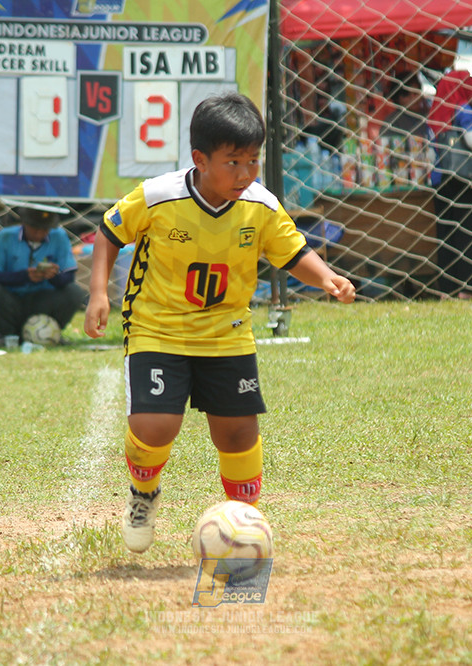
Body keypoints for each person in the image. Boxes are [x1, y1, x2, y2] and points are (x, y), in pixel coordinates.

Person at [83, 91, 356, 554]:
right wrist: (96, 294)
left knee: (237, 431)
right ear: (200, 159)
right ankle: (143, 493)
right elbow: (109, 233)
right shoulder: (158, 196)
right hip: (157, 330)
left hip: (227, 336)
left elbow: (293, 252)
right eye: (233, 162)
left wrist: (328, 277)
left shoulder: (261, 206)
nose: (246, 173)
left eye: (253, 161)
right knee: (156, 425)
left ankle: (244, 523)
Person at [427, 71, 472, 300]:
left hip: (441, 182)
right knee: (470, 235)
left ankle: (448, 288)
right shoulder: (463, 109)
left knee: (447, 236)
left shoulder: (436, 112)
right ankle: (471, 287)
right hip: (466, 181)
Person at [0, 207, 85, 346]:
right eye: (35, 228)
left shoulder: (59, 236)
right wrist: (24, 276)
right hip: (12, 299)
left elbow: (69, 277)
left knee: (74, 292)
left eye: (45, 229)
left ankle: (49, 332)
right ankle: (8, 336)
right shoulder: (5, 236)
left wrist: (52, 276)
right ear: (24, 224)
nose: (39, 233)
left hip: (43, 300)